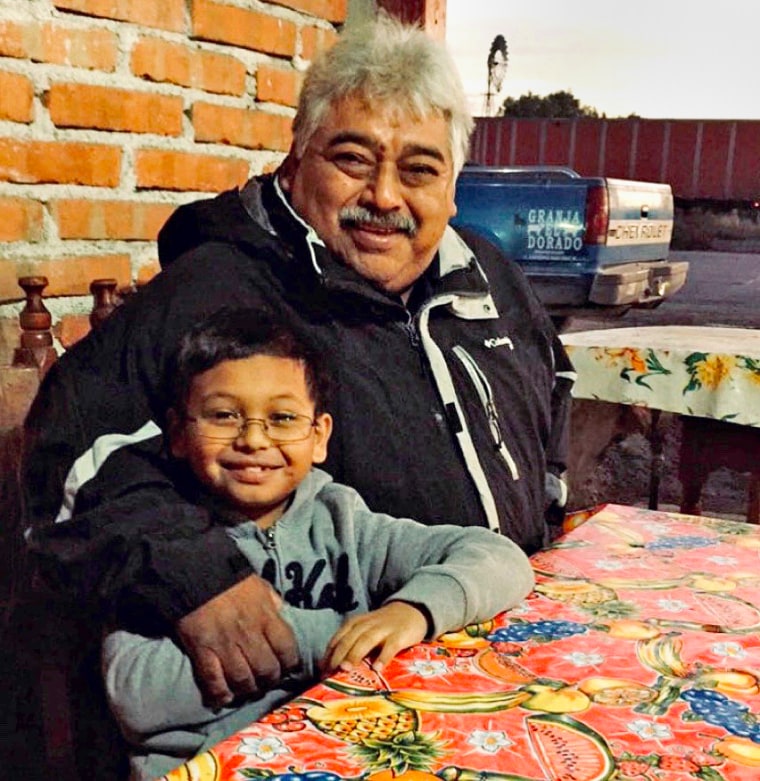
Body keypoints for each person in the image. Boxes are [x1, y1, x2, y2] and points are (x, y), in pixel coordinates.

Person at [22, 11, 574, 716]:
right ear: (295, 161)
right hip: (328, 699)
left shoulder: (487, 272)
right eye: (352, 159)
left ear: (453, 187)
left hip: (497, 634)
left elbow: (553, 381)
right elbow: (65, 455)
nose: (384, 196)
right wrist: (194, 576)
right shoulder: (220, 288)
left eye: (419, 170)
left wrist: (547, 517)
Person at [101, 306, 535, 780]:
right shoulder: (160, 542)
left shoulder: (342, 520)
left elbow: (498, 557)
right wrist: (326, 638)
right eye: (223, 415)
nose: (253, 439)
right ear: (179, 434)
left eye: (283, 417)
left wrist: (413, 611)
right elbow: (135, 695)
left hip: (345, 755)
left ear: (319, 436)